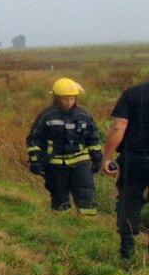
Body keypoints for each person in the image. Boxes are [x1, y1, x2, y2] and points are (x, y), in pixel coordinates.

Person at [26, 78, 102, 215]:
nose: (69, 102)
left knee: (87, 196)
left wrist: (97, 159)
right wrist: (35, 161)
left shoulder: (84, 115)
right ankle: (63, 225)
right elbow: (34, 139)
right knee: (60, 200)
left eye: (72, 98)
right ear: (56, 98)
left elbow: (93, 139)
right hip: (55, 164)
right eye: (65, 99)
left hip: (81, 163)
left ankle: (88, 225)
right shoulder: (47, 116)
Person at [101, 80, 149, 260]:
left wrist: (107, 158)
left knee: (129, 201)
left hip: (135, 159)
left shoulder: (132, 93)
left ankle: (127, 252)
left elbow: (118, 126)